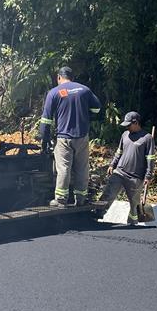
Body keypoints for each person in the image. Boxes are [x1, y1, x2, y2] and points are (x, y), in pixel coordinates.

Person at [39, 66, 102, 206]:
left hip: (64, 138)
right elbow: (97, 109)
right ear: (72, 77)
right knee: (82, 168)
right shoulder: (84, 90)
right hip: (82, 137)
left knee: (64, 168)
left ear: (59, 77)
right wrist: (85, 114)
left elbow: (46, 120)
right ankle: (80, 199)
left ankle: (61, 199)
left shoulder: (54, 92)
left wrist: (44, 139)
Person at [98, 111, 155, 225]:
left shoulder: (147, 138)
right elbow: (119, 152)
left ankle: (132, 223)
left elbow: (150, 158)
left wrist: (148, 176)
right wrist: (112, 164)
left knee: (134, 204)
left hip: (135, 178)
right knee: (108, 195)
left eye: (129, 125)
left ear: (136, 123)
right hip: (119, 172)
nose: (127, 128)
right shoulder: (125, 135)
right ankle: (96, 215)